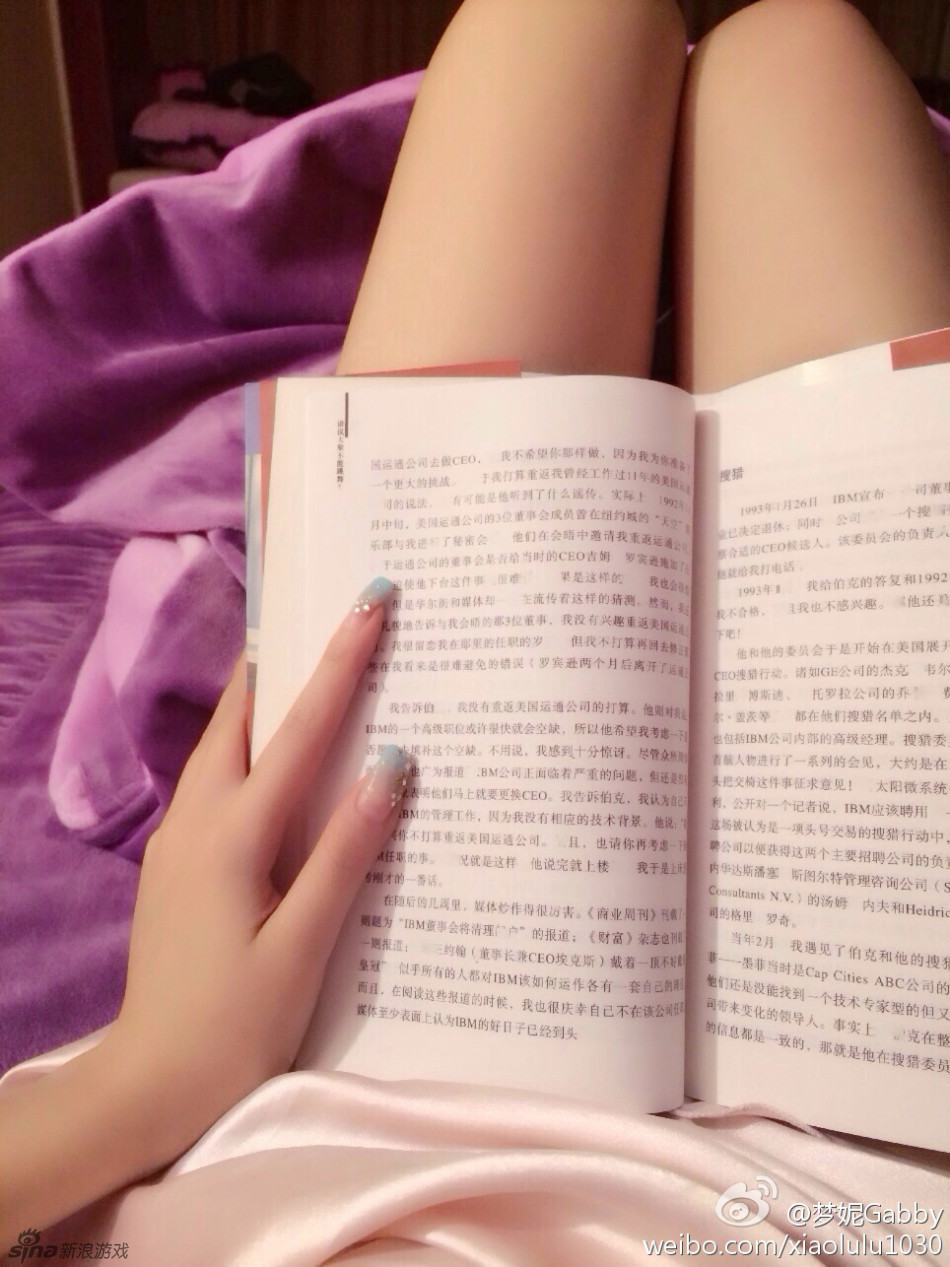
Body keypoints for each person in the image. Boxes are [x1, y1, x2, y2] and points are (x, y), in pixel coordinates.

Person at [1, 0, 948, 1242]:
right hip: (882, 1161)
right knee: (790, 55)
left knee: (580, 21)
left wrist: (143, 1076)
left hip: (323, 1085)